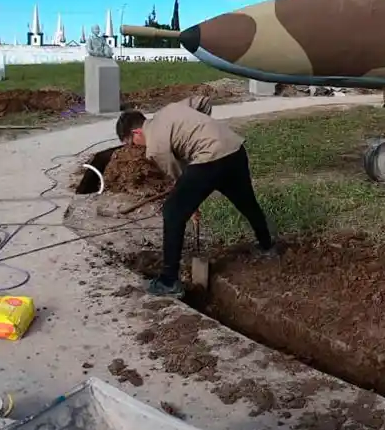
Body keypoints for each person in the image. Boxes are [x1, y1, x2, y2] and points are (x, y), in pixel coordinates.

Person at [116, 96, 277, 298]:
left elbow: (179, 178)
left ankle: (168, 281)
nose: (135, 147)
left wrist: (189, 205)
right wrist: (200, 128)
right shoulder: (170, 108)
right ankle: (267, 246)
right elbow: (202, 101)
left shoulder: (155, 146)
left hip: (210, 159)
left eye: (131, 143)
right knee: (246, 201)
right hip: (234, 149)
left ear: (136, 132)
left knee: (172, 212)